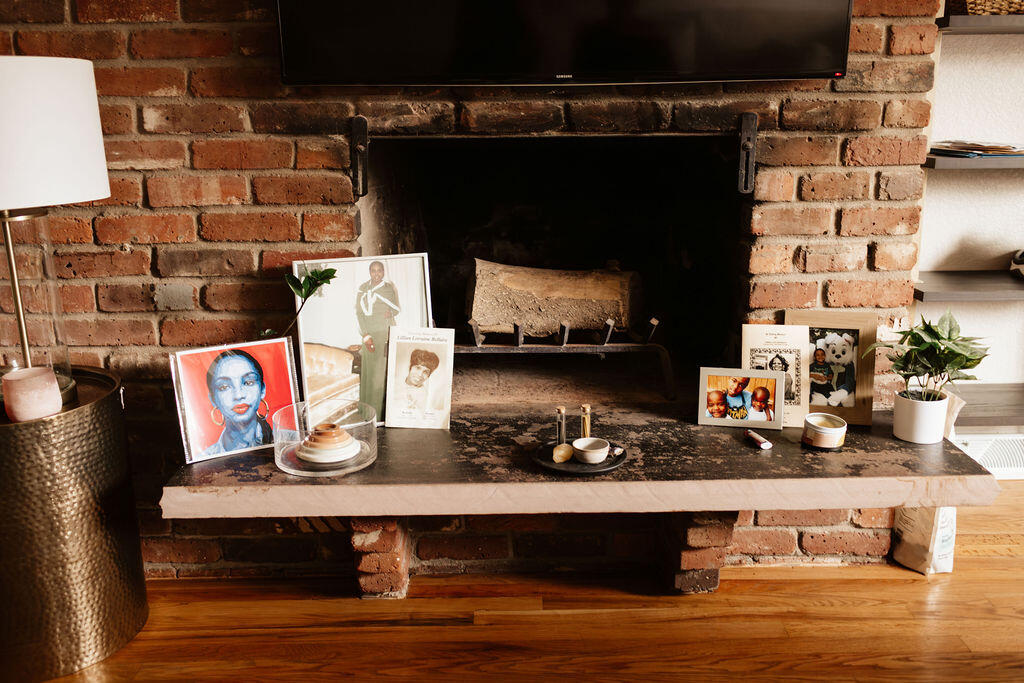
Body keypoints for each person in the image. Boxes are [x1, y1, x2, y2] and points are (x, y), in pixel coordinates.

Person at [201, 349, 272, 458]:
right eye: (224, 387)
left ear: (262, 390)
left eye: (248, 382)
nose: (238, 395)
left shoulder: (291, 442)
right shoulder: (203, 459)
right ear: (213, 399)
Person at [355, 260, 400, 418]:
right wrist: (365, 335)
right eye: (373, 270)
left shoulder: (388, 288)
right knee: (368, 372)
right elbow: (359, 313)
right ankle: (366, 412)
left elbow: (396, 308)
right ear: (369, 272)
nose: (376, 273)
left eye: (379, 270)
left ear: (383, 272)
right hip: (368, 334)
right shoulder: (363, 288)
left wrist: (391, 312)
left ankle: (378, 414)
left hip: (383, 333)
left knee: (379, 375)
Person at [398, 348, 441, 415]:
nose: (420, 374)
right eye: (418, 368)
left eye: (426, 372)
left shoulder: (424, 396)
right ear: (410, 367)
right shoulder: (395, 383)